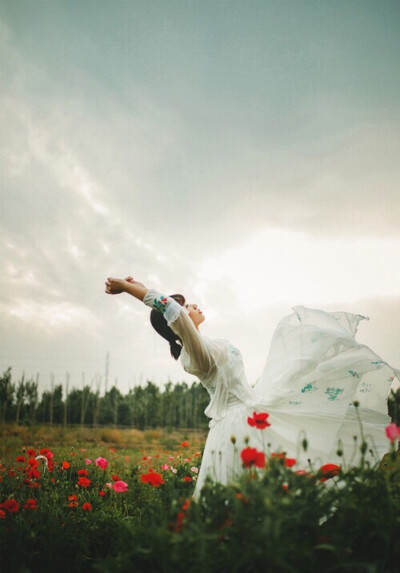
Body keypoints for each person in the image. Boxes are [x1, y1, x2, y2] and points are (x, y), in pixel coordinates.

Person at [105, 276, 399, 498]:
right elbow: (172, 311)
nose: (192, 305)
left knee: (267, 494)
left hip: (250, 414)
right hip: (236, 428)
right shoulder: (194, 353)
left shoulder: (203, 345)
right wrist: (131, 289)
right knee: (242, 498)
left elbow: (173, 312)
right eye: (186, 305)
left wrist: (138, 284)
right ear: (176, 320)